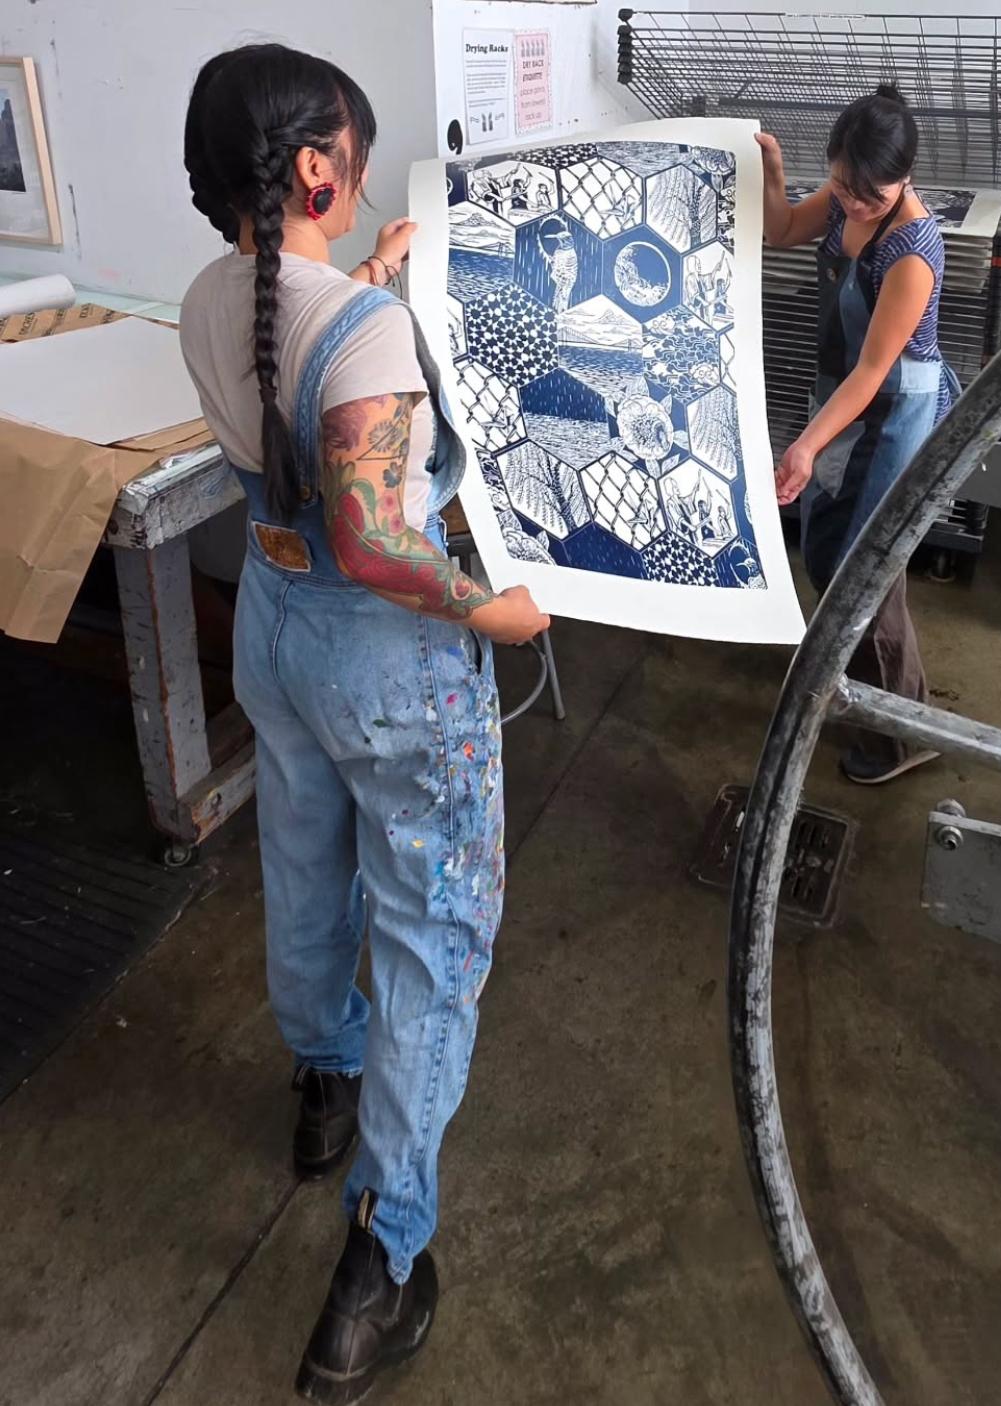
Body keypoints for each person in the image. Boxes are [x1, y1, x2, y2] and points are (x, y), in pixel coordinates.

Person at [179, 44, 549, 1404]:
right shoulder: (360, 332)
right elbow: (388, 540)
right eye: (352, 145)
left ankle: (322, 1087)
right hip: (389, 657)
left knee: (302, 862)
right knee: (432, 930)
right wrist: (493, 611)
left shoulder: (216, 296)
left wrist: (375, 289)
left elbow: (299, 381)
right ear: (323, 171)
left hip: (273, 632)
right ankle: (380, 1263)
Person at [758, 84, 959, 784]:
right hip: (843, 398)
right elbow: (781, 231)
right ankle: (862, 682)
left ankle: (900, 731)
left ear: (902, 179)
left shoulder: (909, 249)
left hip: (890, 408)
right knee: (828, 546)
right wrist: (776, 174)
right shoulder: (844, 193)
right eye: (841, 183)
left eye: (868, 194)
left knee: (864, 572)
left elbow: (875, 370)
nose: (850, 202)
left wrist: (809, 443)